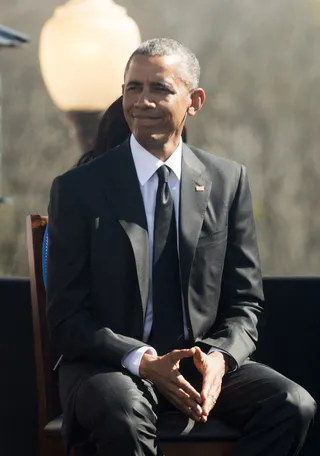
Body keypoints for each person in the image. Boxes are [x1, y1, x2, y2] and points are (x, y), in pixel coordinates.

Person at [47, 38, 316, 456]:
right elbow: (66, 318)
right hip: (112, 367)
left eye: (160, 89)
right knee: (124, 410)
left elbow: (245, 305)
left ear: (194, 101)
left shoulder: (228, 181)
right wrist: (143, 361)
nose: (143, 101)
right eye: (133, 88)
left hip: (199, 366)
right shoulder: (78, 189)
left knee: (292, 404)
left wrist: (220, 360)